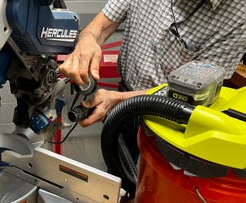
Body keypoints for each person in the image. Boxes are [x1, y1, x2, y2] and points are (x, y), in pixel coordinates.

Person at [59, 0, 246, 199]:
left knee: (153, 190)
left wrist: (119, 100)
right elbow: (102, 25)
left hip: (168, 128)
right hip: (121, 107)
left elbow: (199, 92)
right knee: (117, 182)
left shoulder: (239, 15)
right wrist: (87, 40)